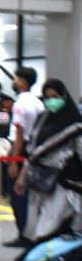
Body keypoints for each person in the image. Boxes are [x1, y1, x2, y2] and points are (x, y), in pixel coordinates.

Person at [16, 79, 82, 244]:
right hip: (39, 182)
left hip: (65, 184)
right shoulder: (42, 119)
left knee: (46, 230)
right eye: (47, 97)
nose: (51, 101)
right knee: (37, 228)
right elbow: (32, 152)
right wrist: (22, 177)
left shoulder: (75, 123)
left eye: (55, 96)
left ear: (64, 97)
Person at [5, 66, 44, 248]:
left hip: (19, 150)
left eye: (15, 78)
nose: (13, 81)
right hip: (33, 150)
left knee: (17, 193)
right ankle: (31, 232)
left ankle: (23, 233)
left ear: (22, 81)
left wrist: (13, 161)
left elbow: (19, 133)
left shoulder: (20, 103)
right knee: (29, 195)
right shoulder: (37, 102)